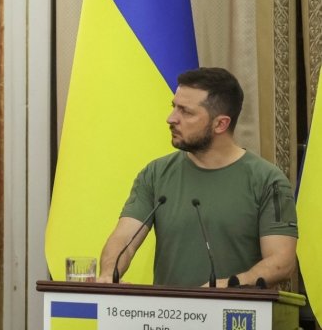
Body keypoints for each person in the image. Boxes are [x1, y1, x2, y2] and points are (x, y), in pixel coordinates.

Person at [97, 67, 297, 288]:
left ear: (220, 124)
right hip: (167, 319)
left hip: (235, 317)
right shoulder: (155, 174)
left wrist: (227, 286)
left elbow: (282, 262)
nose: (171, 119)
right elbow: (124, 238)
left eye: (186, 112)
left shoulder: (268, 181)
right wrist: (109, 273)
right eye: (174, 107)